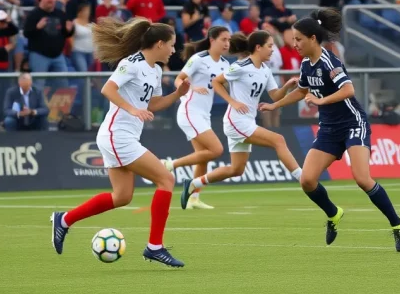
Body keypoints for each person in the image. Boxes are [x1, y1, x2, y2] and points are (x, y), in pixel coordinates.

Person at [259, 9, 400, 250]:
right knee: (307, 180)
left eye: (298, 39)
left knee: (361, 178)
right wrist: (275, 104)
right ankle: (333, 213)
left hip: (352, 124)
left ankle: (397, 223)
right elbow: (301, 91)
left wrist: (320, 101)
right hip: (329, 129)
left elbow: (349, 90)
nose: (294, 44)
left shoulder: (330, 61)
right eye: (293, 39)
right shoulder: (307, 64)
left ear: (313, 39)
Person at [51, 17, 190, 268]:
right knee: (166, 179)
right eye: (171, 45)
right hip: (118, 135)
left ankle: (64, 220)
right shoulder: (132, 63)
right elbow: (108, 89)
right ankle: (154, 247)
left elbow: (152, 105)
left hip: (122, 137)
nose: (173, 50)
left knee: (122, 197)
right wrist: (132, 110)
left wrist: (177, 95)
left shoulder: (155, 70)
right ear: (159, 44)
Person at [180, 30, 303, 208]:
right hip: (236, 121)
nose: (272, 50)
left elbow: (276, 96)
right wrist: (232, 101)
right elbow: (217, 82)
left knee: (236, 170)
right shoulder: (241, 66)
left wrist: (287, 86)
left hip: (247, 121)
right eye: (269, 46)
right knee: (279, 140)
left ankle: (193, 183)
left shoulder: (266, 70)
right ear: (258, 47)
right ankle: (303, 178)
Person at [160, 27, 231, 211]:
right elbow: (178, 80)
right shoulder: (199, 59)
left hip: (203, 114)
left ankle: (194, 199)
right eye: (223, 39)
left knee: (203, 158)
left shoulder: (225, 64)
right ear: (212, 40)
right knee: (216, 149)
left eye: (229, 40)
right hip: (190, 111)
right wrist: (190, 88)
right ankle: (170, 164)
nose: (227, 44)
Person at [23, 0, 74, 90]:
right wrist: (37, 27)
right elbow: (26, 33)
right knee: (38, 85)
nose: (50, 0)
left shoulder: (61, 14)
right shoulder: (34, 14)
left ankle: (59, 106)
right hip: (39, 55)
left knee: (63, 84)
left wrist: (69, 30)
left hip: (58, 56)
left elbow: (66, 34)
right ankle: (37, 106)